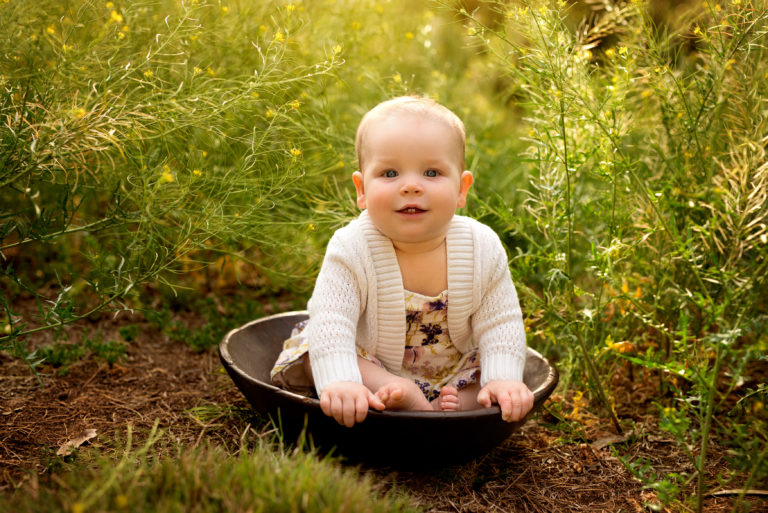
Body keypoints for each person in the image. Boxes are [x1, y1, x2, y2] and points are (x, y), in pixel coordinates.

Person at [271, 95, 534, 427]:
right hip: (373, 366)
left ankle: (457, 405)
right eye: (390, 172)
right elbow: (333, 319)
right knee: (316, 345)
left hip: (454, 371)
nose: (411, 186)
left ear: (461, 189)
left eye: (432, 172)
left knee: (497, 364)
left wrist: (501, 378)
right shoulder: (351, 247)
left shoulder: (483, 247)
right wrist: (341, 381)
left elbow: (501, 322)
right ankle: (399, 394)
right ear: (361, 189)